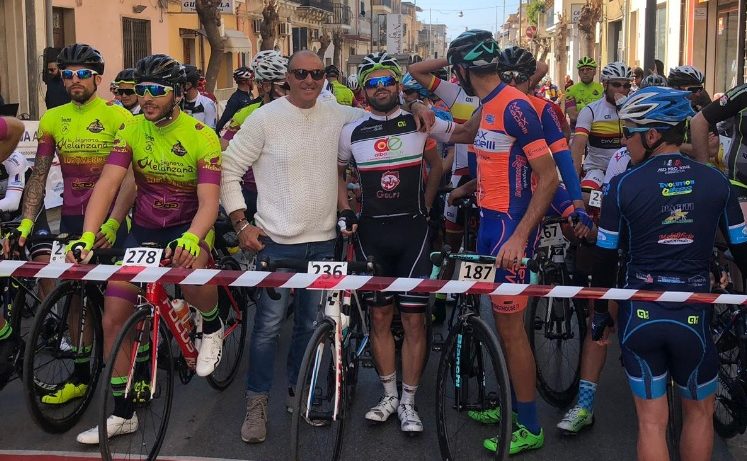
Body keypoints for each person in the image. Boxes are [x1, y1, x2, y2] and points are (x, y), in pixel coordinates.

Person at [221, 49, 434, 444]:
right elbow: (228, 169)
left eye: (317, 74)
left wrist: (414, 101)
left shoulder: (341, 116)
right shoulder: (263, 119)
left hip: (324, 245)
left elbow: (381, 110)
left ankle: (297, 393)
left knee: (309, 325)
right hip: (275, 243)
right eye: (301, 73)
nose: (309, 81)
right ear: (287, 77)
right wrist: (240, 223)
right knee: (267, 330)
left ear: (325, 78)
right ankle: (257, 403)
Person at [67, 53, 224, 444]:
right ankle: (124, 413)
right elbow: (108, 183)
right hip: (146, 231)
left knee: (189, 272)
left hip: (190, 228)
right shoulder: (132, 130)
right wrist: (89, 234)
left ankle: (213, 321)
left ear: (177, 94)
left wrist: (193, 236)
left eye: (157, 90)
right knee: (113, 316)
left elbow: (209, 202)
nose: (147, 97)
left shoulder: (201, 135)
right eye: (142, 90)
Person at [590, 86, 747, 461]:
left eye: (628, 133)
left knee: (651, 422)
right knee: (699, 415)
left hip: (640, 315)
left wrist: (599, 317)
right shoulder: (716, 182)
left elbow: (604, 259)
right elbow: (741, 251)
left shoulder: (622, 185)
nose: (623, 142)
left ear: (652, 134)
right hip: (694, 315)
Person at [337, 52, 467, 433]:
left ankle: (410, 402)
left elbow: (449, 150)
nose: (381, 89)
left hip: (414, 233)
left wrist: (426, 208)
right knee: (379, 316)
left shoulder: (419, 121)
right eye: (373, 83)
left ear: (397, 85)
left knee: (413, 319)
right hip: (372, 234)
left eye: (387, 82)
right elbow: (338, 172)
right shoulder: (352, 132)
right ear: (363, 91)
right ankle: (389, 395)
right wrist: (346, 209)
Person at [444, 31, 560, 455]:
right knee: (500, 327)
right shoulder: (488, 105)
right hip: (489, 224)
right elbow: (461, 134)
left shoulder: (514, 106)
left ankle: (529, 425)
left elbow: (548, 179)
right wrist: (420, 114)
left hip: (511, 232)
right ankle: (513, 403)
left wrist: (520, 236)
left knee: (512, 333)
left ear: (461, 69)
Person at [6, 43, 135, 405]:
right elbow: (39, 176)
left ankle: (136, 367)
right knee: (77, 294)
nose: (74, 80)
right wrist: (27, 225)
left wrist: (113, 222)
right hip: (74, 215)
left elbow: (128, 179)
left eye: (81, 74)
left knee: (119, 297)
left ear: (97, 77)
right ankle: (80, 374)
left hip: (114, 219)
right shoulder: (53, 118)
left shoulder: (119, 118)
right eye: (67, 74)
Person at [556, 72, 666, 434]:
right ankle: (585, 404)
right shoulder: (619, 159)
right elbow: (605, 205)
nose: (624, 137)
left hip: (663, 264)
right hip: (624, 255)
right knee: (598, 323)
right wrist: (589, 222)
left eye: (631, 131)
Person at [221, 50, 290, 222]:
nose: (290, 93)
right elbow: (222, 148)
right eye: (285, 87)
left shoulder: (300, 111)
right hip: (254, 191)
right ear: (266, 86)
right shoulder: (247, 113)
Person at [571, 62, 632, 193]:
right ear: (605, 84)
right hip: (598, 169)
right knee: (586, 196)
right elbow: (577, 148)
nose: (622, 90)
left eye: (626, 85)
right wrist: (574, 182)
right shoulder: (591, 111)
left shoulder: (634, 111)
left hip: (627, 168)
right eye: (616, 85)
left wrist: (627, 112)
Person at [692, 81, 747, 215]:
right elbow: (698, 121)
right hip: (741, 182)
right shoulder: (743, 94)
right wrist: (704, 171)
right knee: (741, 234)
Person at [0, 116, 25, 389]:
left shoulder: (13, 157)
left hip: (20, 208)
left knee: (42, 258)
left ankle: (8, 339)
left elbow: (13, 201)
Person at [216, 66, 259, 132]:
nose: (253, 82)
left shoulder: (250, 95)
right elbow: (224, 118)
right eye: (252, 80)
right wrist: (217, 132)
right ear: (245, 81)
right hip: (240, 133)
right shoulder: (235, 99)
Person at [565, 57, 604, 127]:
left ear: (595, 72)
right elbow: (573, 116)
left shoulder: (602, 89)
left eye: (588, 69)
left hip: (599, 130)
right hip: (577, 129)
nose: (585, 72)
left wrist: (582, 113)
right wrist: (597, 113)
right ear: (578, 73)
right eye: (581, 70)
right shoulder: (570, 90)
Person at [182, 65, 218, 129]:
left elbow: (211, 131)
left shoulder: (207, 104)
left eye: (180, 84)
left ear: (188, 85)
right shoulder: (178, 103)